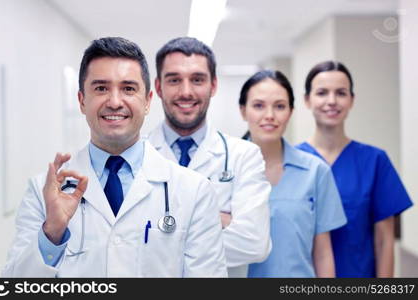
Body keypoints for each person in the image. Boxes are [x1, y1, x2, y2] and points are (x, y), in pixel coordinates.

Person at [2, 37, 227, 277]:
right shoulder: (42, 192)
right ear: (81, 101)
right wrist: (52, 233)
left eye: (128, 89)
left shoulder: (194, 191)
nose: (115, 102)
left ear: (148, 101)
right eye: (101, 88)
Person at [146, 37, 271, 277]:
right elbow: (124, 244)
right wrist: (212, 221)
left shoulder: (244, 155)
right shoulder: (135, 156)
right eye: (174, 80)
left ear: (213, 86)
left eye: (197, 79)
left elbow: (254, 244)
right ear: (159, 87)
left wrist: (161, 234)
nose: (186, 91)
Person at [297, 60, 413, 278]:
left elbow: (384, 240)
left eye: (340, 93)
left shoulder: (374, 161)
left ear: (352, 100)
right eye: (322, 93)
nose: (331, 101)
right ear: (307, 100)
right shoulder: (292, 162)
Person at [238, 70, 346, 277]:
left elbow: (323, 253)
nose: (269, 115)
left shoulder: (316, 172)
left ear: (290, 111)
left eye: (279, 106)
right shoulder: (223, 171)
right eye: (258, 106)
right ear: (243, 111)